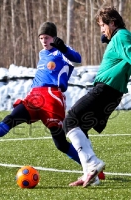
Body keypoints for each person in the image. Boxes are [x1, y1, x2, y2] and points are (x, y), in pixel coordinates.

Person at [0, 22, 104, 185]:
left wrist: (64, 49)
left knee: (61, 144)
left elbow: (78, 59)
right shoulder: (42, 54)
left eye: (46, 37)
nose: (44, 41)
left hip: (52, 97)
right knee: (13, 117)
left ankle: (91, 168)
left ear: (53, 37)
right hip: (34, 96)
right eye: (41, 38)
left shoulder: (62, 52)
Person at [63, 6, 131, 188]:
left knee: (70, 120)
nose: (102, 30)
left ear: (112, 23)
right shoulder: (117, 38)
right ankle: (91, 174)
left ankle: (92, 164)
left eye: (102, 25)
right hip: (111, 93)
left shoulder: (121, 36)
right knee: (81, 128)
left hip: (105, 90)